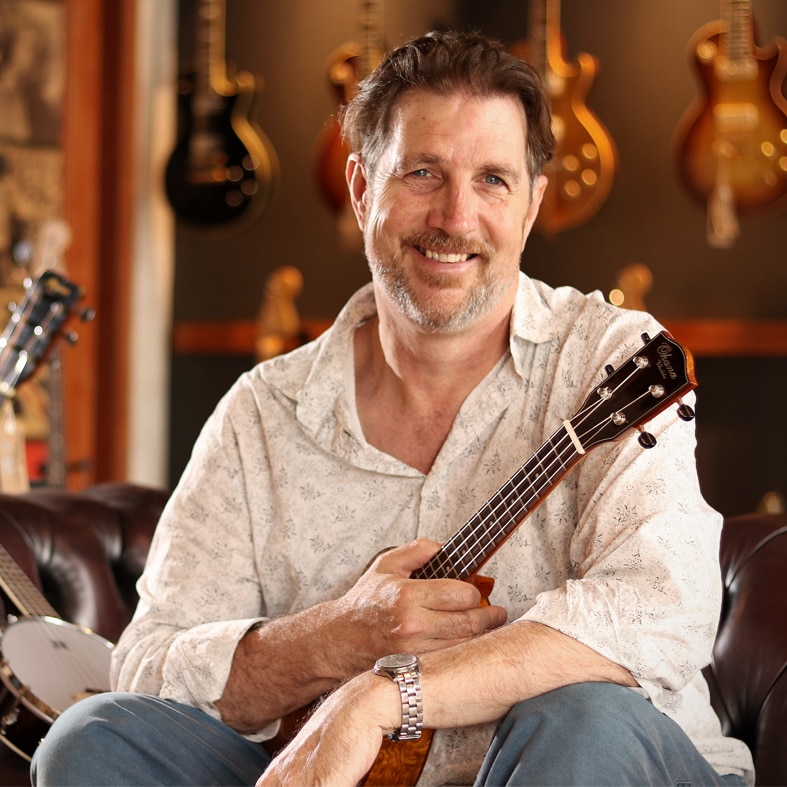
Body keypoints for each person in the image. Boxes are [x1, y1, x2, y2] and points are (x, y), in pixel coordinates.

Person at [32, 30, 753, 786]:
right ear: (359, 187)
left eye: (493, 181)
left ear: (533, 204)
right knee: (96, 736)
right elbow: (147, 663)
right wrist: (337, 638)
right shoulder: (264, 412)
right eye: (421, 172)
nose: (454, 216)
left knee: (581, 716)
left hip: (589, 767)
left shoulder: (614, 359)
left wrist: (382, 697)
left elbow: (655, 609)